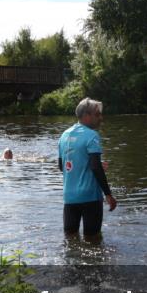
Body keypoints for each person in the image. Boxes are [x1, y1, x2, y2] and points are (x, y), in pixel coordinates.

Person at [58, 97, 117, 238]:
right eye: (97, 114)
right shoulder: (92, 135)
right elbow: (96, 167)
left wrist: (87, 165)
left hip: (69, 197)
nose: (100, 118)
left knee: (70, 238)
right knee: (93, 240)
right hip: (90, 197)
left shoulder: (64, 135)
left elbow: (62, 166)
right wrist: (108, 195)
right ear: (86, 115)